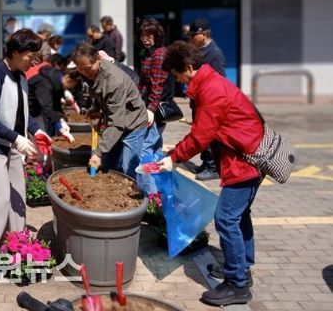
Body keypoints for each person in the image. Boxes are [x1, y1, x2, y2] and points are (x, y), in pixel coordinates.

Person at [158, 41, 262, 307]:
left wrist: (174, 158)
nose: (178, 80)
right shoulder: (208, 82)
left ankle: (237, 285)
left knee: (226, 218)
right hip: (243, 154)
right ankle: (241, 268)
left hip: (244, 160)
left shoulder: (211, 90)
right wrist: (177, 153)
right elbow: (202, 132)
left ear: (189, 67)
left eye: (177, 74)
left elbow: (201, 136)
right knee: (239, 215)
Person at [0, 28, 52, 281]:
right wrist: (17, 139)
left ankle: (18, 243)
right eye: (30, 56)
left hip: (12, 142)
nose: (33, 61)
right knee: (1, 198)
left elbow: (21, 113)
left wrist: (37, 131)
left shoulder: (20, 75)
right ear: (15, 52)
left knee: (18, 194)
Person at [71, 43, 148, 179]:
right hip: (117, 121)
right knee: (110, 163)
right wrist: (96, 108)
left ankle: (142, 191)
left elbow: (116, 123)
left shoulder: (114, 80)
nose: (84, 72)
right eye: (80, 69)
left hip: (133, 124)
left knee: (128, 168)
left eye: (87, 68)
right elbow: (100, 92)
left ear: (98, 59)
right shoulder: (93, 72)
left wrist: (98, 153)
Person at [188, 18, 227, 181]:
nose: (191, 38)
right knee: (201, 134)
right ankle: (206, 162)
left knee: (210, 135)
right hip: (198, 100)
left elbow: (220, 80)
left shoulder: (214, 54)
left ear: (204, 34)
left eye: (194, 35)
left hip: (208, 103)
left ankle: (213, 167)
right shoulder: (199, 50)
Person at [137, 18, 173, 155]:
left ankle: (145, 168)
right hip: (149, 101)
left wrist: (151, 109)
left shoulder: (159, 54)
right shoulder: (147, 52)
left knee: (147, 143)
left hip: (157, 104)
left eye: (149, 35)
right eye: (142, 36)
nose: (145, 39)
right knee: (154, 141)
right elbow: (143, 82)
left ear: (157, 35)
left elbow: (158, 84)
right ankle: (156, 165)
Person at [28, 54, 80, 140]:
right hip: (28, 111)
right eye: (72, 86)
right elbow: (47, 107)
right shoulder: (45, 83)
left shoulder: (57, 82)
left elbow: (56, 105)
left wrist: (61, 120)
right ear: (68, 78)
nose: (71, 89)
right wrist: (59, 126)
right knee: (38, 140)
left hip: (37, 110)